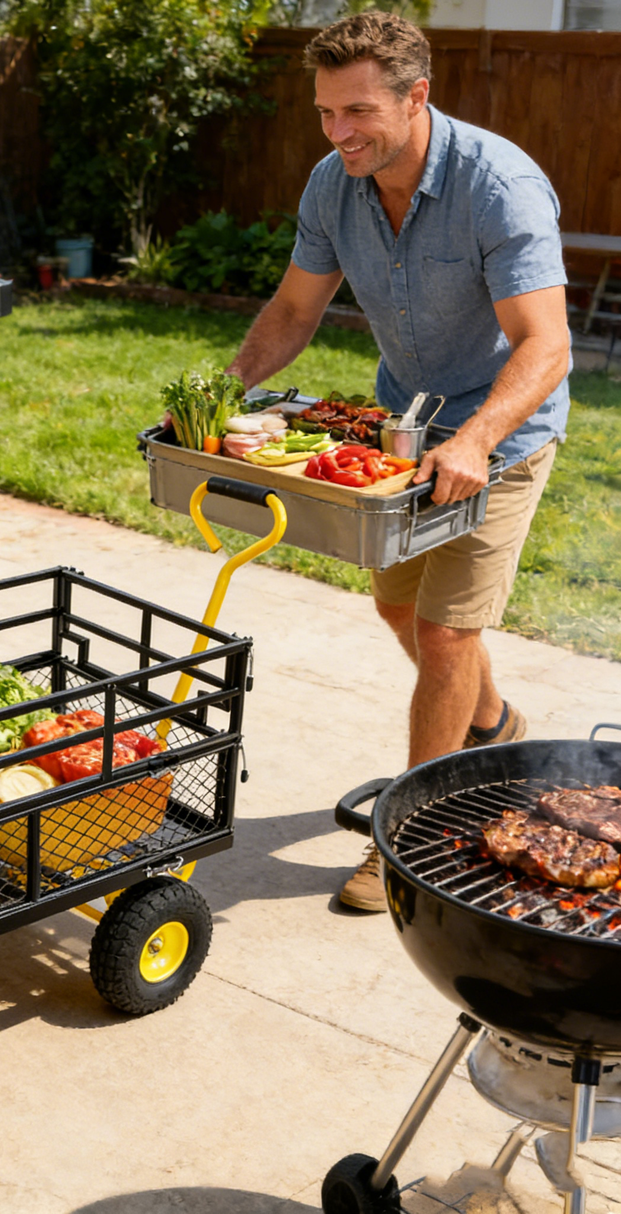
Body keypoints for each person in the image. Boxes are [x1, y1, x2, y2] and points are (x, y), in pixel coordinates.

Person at [223, 13, 571, 912]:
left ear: (417, 97)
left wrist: (477, 440)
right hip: (407, 427)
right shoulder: (334, 184)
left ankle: (410, 839)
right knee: (399, 606)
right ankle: (492, 723)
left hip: (503, 430)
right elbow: (294, 311)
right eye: (325, 112)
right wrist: (221, 395)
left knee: (447, 632)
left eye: (358, 112)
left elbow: (546, 345)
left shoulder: (498, 186)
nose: (338, 132)